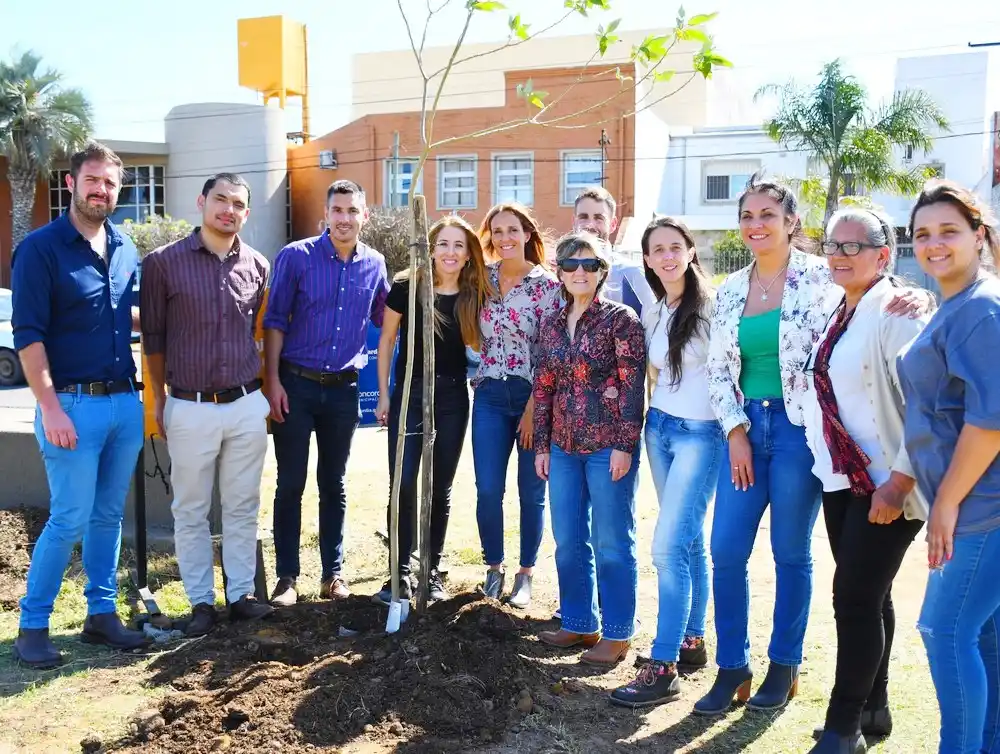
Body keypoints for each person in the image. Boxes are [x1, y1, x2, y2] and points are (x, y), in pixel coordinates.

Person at [697, 172, 929, 716]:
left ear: (791, 222)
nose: (756, 226)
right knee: (726, 550)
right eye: (747, 216)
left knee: (790, 554)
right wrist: (734, 431)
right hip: (745, 432)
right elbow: (716, 369)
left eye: (767, 216)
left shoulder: (822, 280)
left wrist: (908, 292)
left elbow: (871, 294)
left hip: (804, 434)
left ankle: (784, 664)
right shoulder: (730, 289)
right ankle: (732, 666)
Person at [11, 141, 149, 667]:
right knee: (68, 517)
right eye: (92, 180)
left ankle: (100, 615)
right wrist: (49, 407)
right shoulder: (41, 250)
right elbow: (29, 336)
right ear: (71, 183)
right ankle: (33, 623)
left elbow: (123, 316)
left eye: (111, 183)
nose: (101, 190)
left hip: (123, 404)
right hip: (69, 405)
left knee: (108, 517)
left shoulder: (124, 245)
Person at [800, 208, 929, 753]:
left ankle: (843, 726)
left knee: (852, 598)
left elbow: (929, 401)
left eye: (855, 246)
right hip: (842, 478)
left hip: (887, 481)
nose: (840, 254)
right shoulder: (837, 306)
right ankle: (875, 709)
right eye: (834, 244)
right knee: (869, 595)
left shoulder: (897, 308)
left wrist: (899, 481)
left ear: (885, 254)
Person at [140, 173, 273, 635]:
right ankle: (200, 602)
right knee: (190, 509)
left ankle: (241, 595)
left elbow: (261, 335)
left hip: (245, 404)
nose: (228, 210)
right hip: (188, 404)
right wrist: (158, 399)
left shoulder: (258, 265)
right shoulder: (163, 263)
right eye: (221, 199)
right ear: (202, 202)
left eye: (238, 203)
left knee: (242, 505)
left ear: (246, 213)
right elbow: (153, 339)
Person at [898, 179, 1000, 754]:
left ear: (978, 236)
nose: (934, 244)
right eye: (923, 234)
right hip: (972, 502)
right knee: (982, 636)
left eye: (949, 232)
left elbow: (991, 421)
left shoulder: (981, 309)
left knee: (944, 630)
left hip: (983, 506)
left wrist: (945, 503)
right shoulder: (955, 304)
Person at [609, 217, 721, 707]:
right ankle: (692, 638)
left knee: (667, 548)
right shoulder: (655, 310)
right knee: (689, 540)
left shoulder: (715, 308)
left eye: (676, 247)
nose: (668, 256)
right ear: (648, 259)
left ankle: (663, 665)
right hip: (660, 430)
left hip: (702, 435)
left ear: (691, 251)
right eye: (658, 250)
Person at [264, 180, 389, 606]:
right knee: (290, 483)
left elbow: (386, 316)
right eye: (337, 210)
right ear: (326, 213)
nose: (344, 218)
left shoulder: (375, 263)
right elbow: (275, 320)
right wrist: (273, 382)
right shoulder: (295, 257)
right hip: (295, 386)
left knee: (333, 484)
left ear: (364, 215)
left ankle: (332, 576)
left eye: (353, 211)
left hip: (343, 391)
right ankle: (286, 579)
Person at [533, 232, 645, 665]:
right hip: (562, 447)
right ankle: (580, 622)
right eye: (571, 263)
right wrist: (542, 445)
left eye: (590, 264)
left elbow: (633, 387)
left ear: (603, 272)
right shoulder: (551, 323)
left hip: (606, 448)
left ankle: (618, 633)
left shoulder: (621, 321)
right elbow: (544, 387)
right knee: (568, 538)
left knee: (612, 539)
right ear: (559, 271)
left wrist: (624, 445)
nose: (580, 271)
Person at [372, 215, 489, 604]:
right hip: (409, 392)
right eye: (443, 244)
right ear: (429, 247)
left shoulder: (475, 293)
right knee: (403, 484)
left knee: (439, 488)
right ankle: (398, 573)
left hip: (454, 398)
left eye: (459, 245)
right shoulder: (408, 285)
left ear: (468, 252)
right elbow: (387, 339)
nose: (451, 252)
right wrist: (386, 395)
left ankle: (431, 570)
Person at [473, 202, 562, 608]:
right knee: (488, 489)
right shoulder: (483, 280)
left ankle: (526, 573)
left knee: (532, 491)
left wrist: (533, 409)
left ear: (527, 234)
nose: (505, 238)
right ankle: (494, 568)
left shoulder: (547, 286)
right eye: (497, 231)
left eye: (513, 230)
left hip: (532, 397)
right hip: (490, 394)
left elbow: (551, 352)